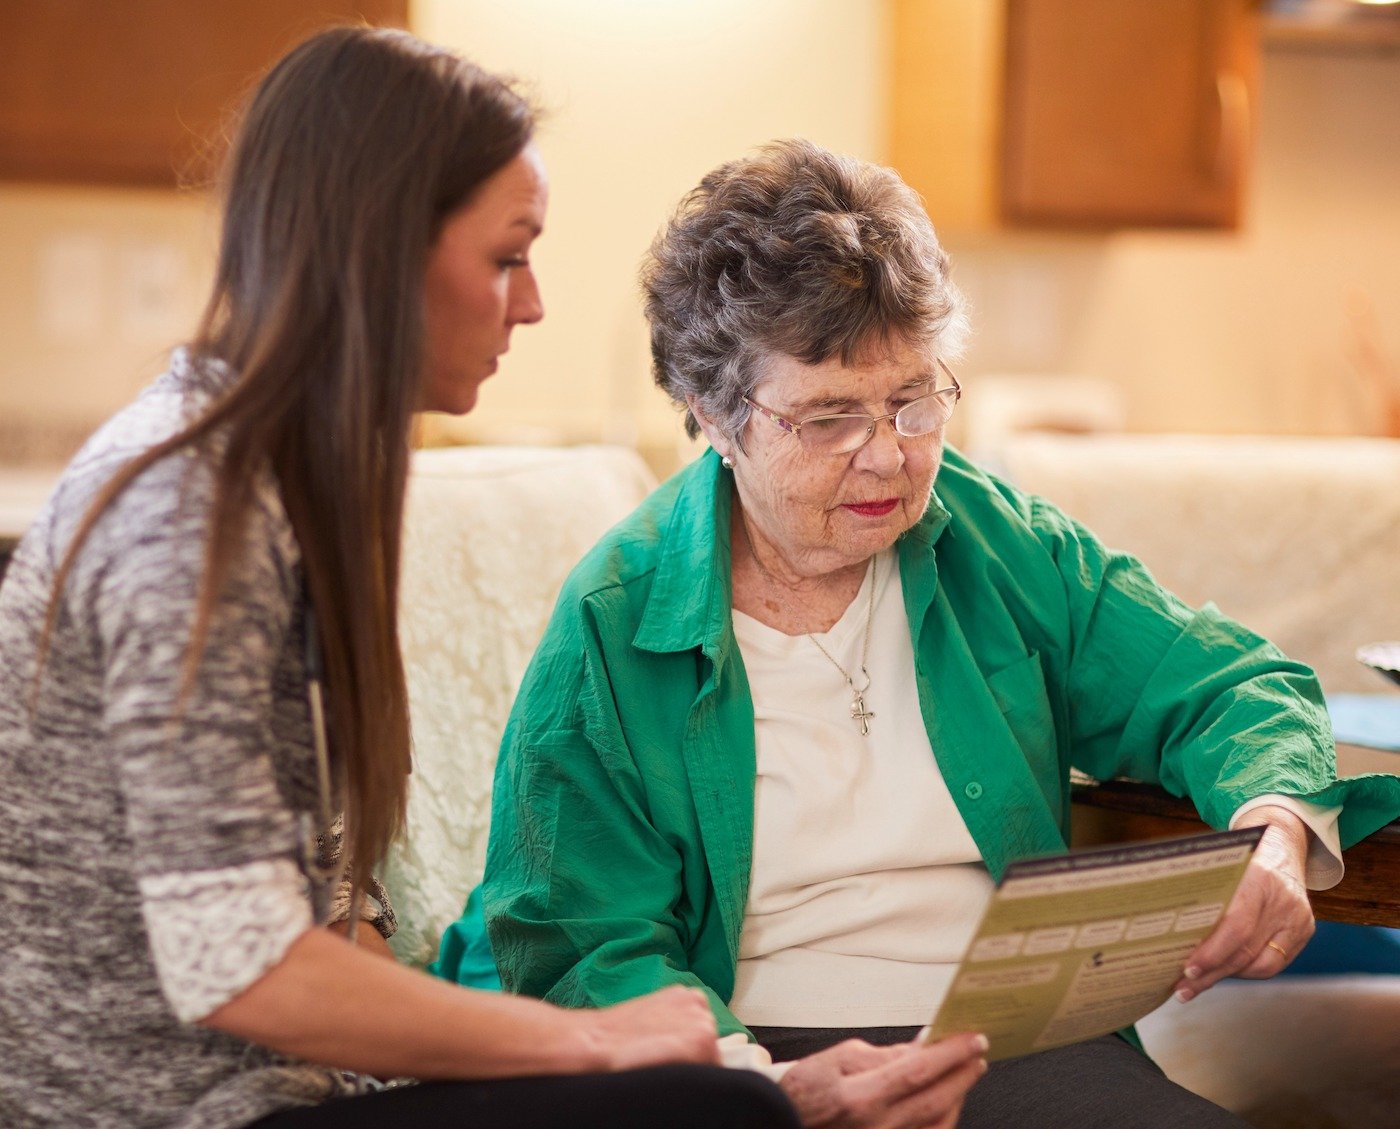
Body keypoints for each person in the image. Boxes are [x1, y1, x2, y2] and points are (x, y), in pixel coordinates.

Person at [0, 32, 988, 1129]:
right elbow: (246, 967)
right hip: (161, 1111)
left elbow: (331, 913)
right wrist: (596, 1045)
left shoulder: (291, 487)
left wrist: (750, 1082)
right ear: (376, 254)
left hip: (283, 1089)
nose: (531, 305)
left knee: (724, 1099)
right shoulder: (191, 515)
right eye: (507, 256)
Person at [467, 139, 1400, 1127]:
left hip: (1018, 1038)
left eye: (914, 400)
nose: (887, 456)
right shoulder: (616, 615)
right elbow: (577, 937)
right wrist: (761, 1088)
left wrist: (1275, 829)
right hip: (742, 1056)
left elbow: (1222, 683)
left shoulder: (990, 538)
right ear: (710, 411)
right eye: (828, 418)